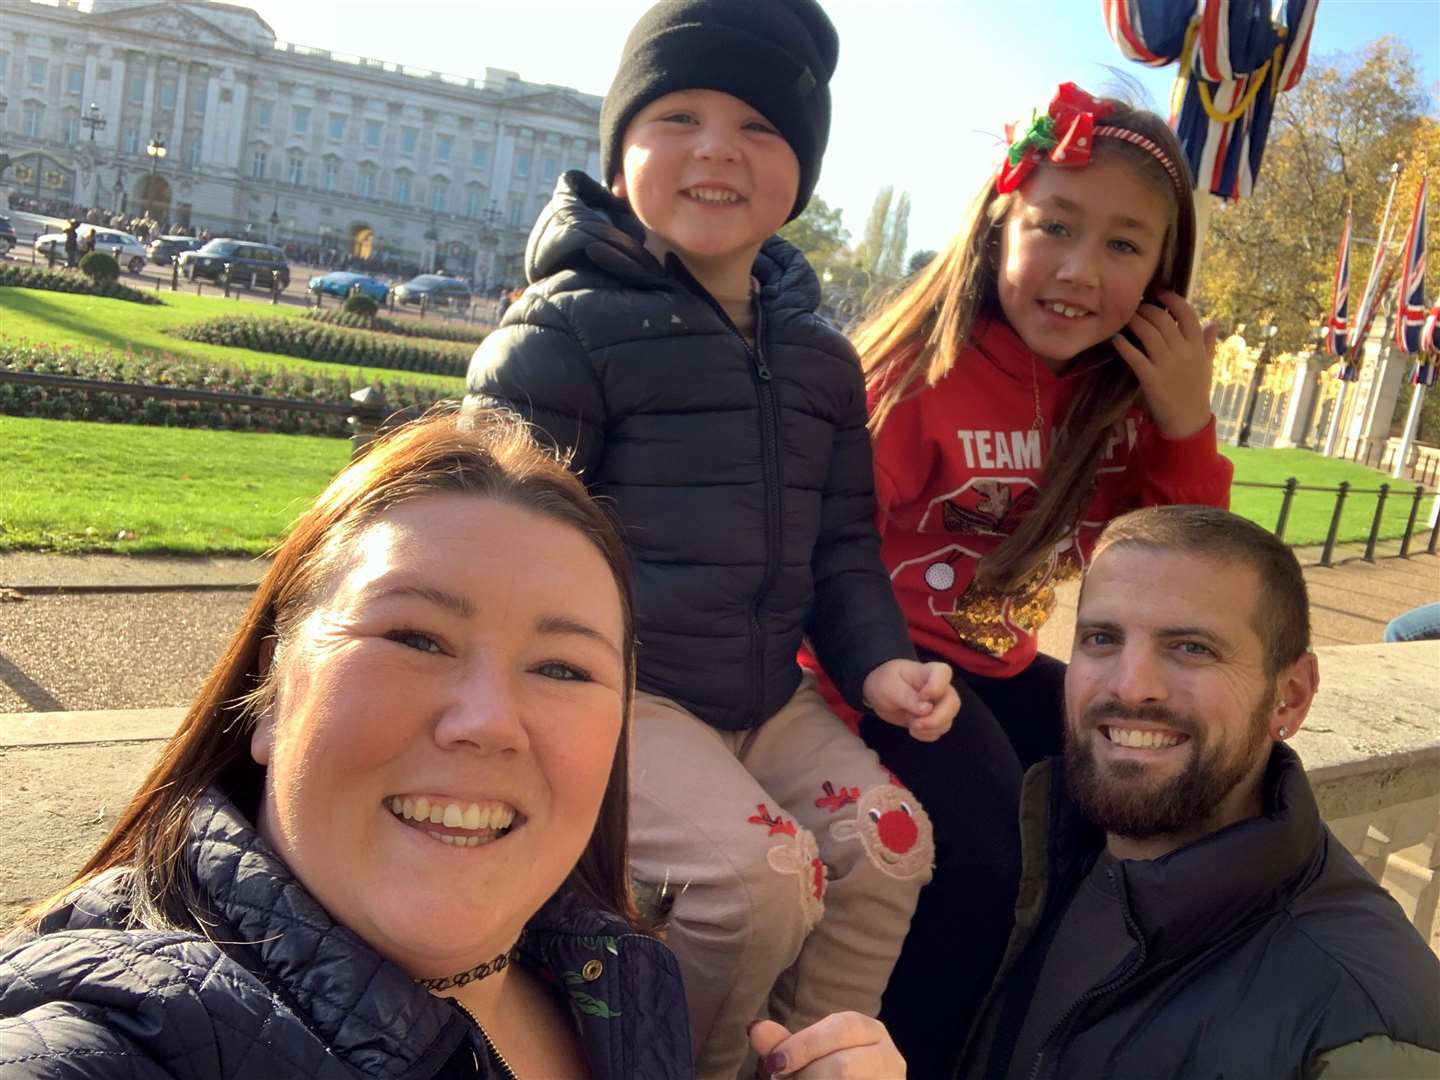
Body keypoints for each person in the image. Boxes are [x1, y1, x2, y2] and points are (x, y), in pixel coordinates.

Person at [467, 2, 959, 1075]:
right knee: (754, 884)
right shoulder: (566, 330)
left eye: (760, 127)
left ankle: (815, 1058)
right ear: (621, 145)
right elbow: (487, 547)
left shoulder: (823, 360)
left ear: (804, 165)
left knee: (890, 842)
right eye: (677, 114)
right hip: (624, 696)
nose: (715, 150)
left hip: (762, 698)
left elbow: (841, 545)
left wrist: (879, 664)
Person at [0, 411, 696, 1079]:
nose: (487, 721)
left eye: (562, 668)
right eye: (415, 639)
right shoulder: (121, 1033)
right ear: (272, 689)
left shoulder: (621, 978)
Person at [799, 83, 1235, 1074]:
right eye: (1055, 227)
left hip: (985, 664)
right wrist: (876, 672)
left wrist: (1182, 424)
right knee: (990, 854)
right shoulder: (924, 374)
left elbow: (1174, 576)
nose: (1081, 271)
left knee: (1149, 774)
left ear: (1164, 276)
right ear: (999, 227)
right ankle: (909, 1058)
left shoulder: (1109, 396)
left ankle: (1054, 1028)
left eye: (1125, 245)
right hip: (871, 668)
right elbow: (830, 553)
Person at [959, 504, 1440, 1079]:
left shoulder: (1362, 1031)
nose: (1131, 686)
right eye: (1102, 638)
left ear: (1289, 696)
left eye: (1192, 647)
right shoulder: (1045, 850)